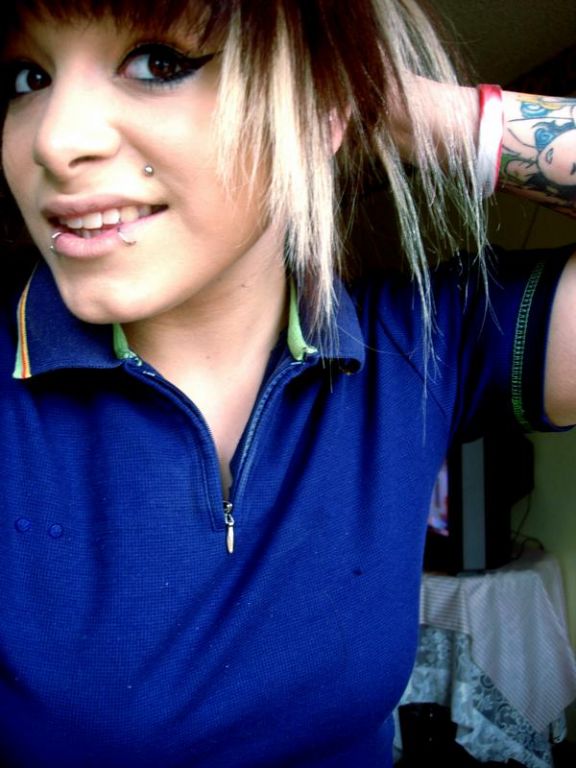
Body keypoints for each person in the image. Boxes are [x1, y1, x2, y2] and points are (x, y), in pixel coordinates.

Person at [0, 1, 574, 766]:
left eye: (159, 62)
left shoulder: (419, 343)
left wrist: (394, 102)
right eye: (27, 77)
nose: (54, 139)